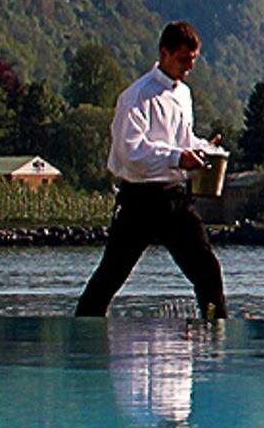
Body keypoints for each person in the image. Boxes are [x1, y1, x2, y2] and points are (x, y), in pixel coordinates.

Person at [76, 21, 230, 320]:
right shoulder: (136, 97)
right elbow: (129, 152)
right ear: (164, 52)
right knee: (111, 275)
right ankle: (83, 330)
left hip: (174, 197)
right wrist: (177, 157)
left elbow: (182, 140)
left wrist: (203, 148)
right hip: (140, 200)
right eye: (183, 59)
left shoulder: (184, 94)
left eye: (193, 61)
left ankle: (215, 326)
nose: (189, 67)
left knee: (207, 272)